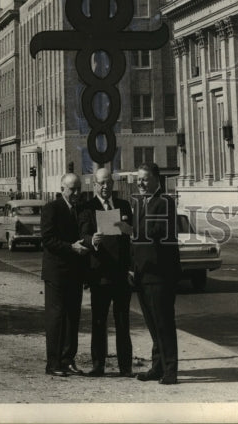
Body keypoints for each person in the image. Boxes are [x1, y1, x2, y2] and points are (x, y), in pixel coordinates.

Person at [78, 167, 134, 377]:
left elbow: (130, 239)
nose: (105, 186)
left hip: (120, 275)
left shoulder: (123, 205)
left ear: (113, 184)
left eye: (108, 182)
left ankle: (125, 366)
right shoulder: (87, 208)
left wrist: (131, 269)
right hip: (100, 274)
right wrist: (92, 240)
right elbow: (82, 233)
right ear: (94, 185)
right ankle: (98, 365)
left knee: (122, 321)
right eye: (101, 183)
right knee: (99, 321)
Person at [132, 162, 181, 386]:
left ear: (156, 180)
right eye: (138, 179)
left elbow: (156, 232)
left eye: (144, 179)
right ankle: (158, 366)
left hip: (161, 275)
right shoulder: (143, 203)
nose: (140, 183)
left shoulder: (165, 202)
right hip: (144, 274)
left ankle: (170, 370)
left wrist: (130, 230)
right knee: (153, 324)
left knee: (164, 324)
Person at [40, 172, 89, 377]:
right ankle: (53, 363)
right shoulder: (52, 208)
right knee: (56, 317)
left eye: (78, 188)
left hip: (75, 273)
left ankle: (68, 359)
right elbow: (48, 239)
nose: (76, 192)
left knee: (73, 317)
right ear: (62, 189)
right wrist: (72, 247)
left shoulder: (81, 209)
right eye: (72, 189)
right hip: (57, 273)